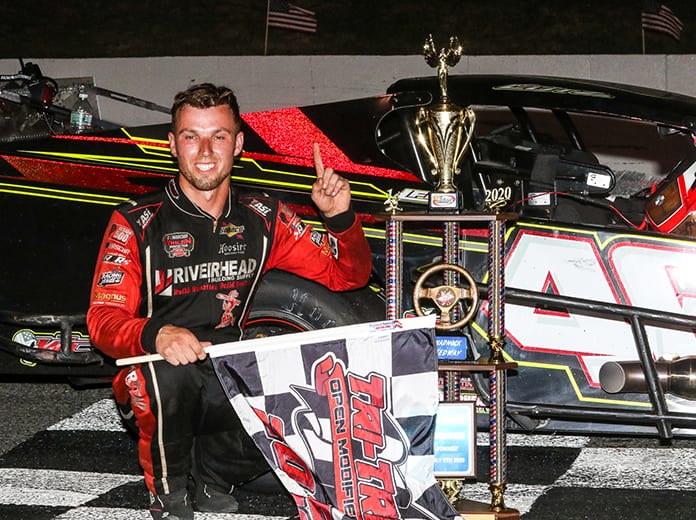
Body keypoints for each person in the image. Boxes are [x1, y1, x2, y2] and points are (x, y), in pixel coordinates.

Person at [86, 83, 372, 520]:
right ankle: (169, 492)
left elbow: (346, 276)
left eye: (218, 136)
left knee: (313, 386)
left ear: (237, 144)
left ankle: (211, 476)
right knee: (167, 374)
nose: (204, 150)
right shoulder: (135, 221)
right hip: (156, 375)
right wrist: (157, 334)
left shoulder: (263, 216)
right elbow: (102, 320)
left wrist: (340, 219)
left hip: (226, 370)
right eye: (190, 136)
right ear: (172, 144)